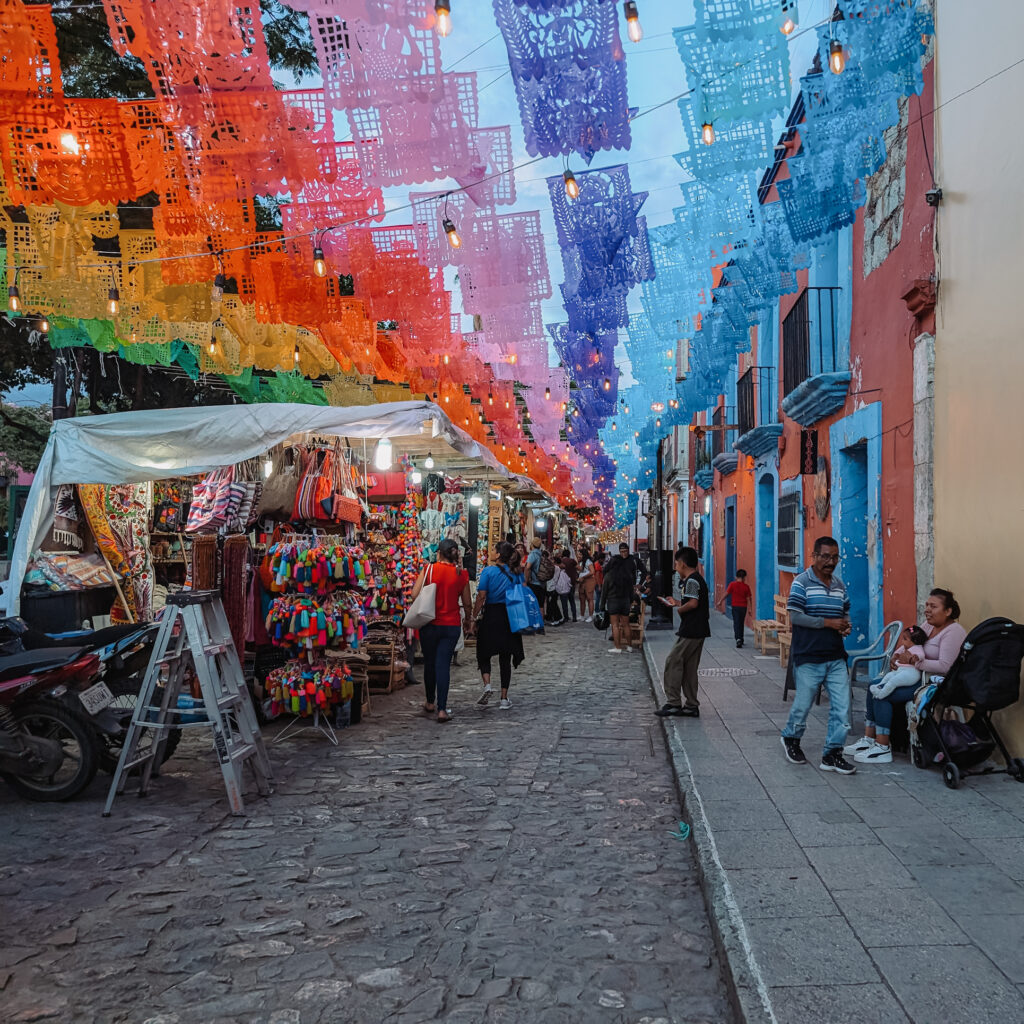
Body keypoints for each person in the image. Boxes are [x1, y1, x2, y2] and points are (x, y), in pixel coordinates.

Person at [844, 588, 967, 764]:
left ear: (948, 611)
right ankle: (869, 739)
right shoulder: (928, 625)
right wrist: (897, 655)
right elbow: (911, 642)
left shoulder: (953, 632)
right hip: (915, 677)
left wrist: (915, 662)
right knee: (875, 685)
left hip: (933, 684)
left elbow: (946, 667)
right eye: (926, 605)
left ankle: (883, 747)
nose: (927, 610)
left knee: (883, 694)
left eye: (933, 606)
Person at [780, 536, 857, 774]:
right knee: (803, 705)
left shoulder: (839, 585)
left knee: (843, 708)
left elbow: (844, 613)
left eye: (834, 557)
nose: (830, 561)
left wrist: (846, 625)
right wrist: (828, 623)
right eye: (825, 556)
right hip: (808, 656)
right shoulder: (801, 583)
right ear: (814, 556)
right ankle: (791, 738)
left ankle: (832, 753)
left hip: (835, 657)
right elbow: (796, 617)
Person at [409, 538, 472, 723]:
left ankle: (430, 702)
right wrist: (469, 620)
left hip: (430, 624)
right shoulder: (462, 574)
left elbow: (414, 594)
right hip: (451, 625)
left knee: (430, 663)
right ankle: (442, 709)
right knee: (443, 665)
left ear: (439, 553)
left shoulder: (429, 569)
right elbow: (467, 603)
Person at [655, 547, 710, 717]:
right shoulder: (695, 579)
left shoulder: (692, 581)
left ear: (683, 564)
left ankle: (673, 703)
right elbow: (694, 601)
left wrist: (680, 610)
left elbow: (693, 603)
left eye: (676, 563)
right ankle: (691, 705)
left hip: (691, 629)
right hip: (698, 628)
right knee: (689, 668)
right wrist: (678, 603)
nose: (675, 567)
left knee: (673, 661)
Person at [472, 541, 526, 710]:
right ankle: (504, 697)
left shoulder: (488, 571)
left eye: (494, 549)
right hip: (510, 615)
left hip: (492, 615)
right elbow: (522, 592)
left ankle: (487, 684)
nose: (491, 551)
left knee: (484, 651)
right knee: (506, 656)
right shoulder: (517, 573)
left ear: (499, 554)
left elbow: (481, 596)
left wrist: (473, 617)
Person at [600, 542, 638, 654]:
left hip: (613, 601)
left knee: (615, 625)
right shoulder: (627, 576)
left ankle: (617, 647)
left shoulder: (608, 576)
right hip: (625, 601)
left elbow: (604, 592)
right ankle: (629, 646)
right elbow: (631, 590)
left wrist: (602, 606)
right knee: (626, 624)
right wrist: (631, 600)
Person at [718, 569, 752, 648]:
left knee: (736, 623)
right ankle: (741, 638)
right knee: (741, 622)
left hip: (735, 606)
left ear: (736, 577)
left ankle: (738, 639)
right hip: (743, 607)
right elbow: (748, 598)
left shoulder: (732, 585)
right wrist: (750, 609)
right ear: (744, 577)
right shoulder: (746, 587)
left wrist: (720, 601)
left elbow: (726, 594)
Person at [545, 555, 566, 627]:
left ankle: (557, 620)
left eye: (551, 559)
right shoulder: (557, 568)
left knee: (553, 604)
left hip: (552, 588)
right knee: (554, 604)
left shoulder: (554, 568)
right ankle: (560, 618)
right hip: (552, 587)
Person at [577, 546, 596, 622]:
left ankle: (590, 616)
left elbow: (592, 571)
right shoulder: (582, 562)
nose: (579, 556)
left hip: (588, 581)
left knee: (589, 599)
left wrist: (583, 576)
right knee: (582, 599)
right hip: (582, 582)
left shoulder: (588, 561)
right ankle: (582, 615)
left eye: (580, 554)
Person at [561, 548, 579, 623]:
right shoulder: (572, 561)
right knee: (572, 600)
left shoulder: (561, 561)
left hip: (563, 583)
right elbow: (577, 566)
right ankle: (574, 617)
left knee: (564, 601)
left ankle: (566, 617)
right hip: (571, 583)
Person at [593, 543, 606, 610]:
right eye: (603, 559)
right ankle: (597, 610)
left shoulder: (596, 563)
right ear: (601, 559)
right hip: (599, 583)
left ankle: (598, 610)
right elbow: (597, 575)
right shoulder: (597, 565)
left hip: (598, 583)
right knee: (598, 597)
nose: (604, 560)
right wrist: (599, 585)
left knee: (598, 597)